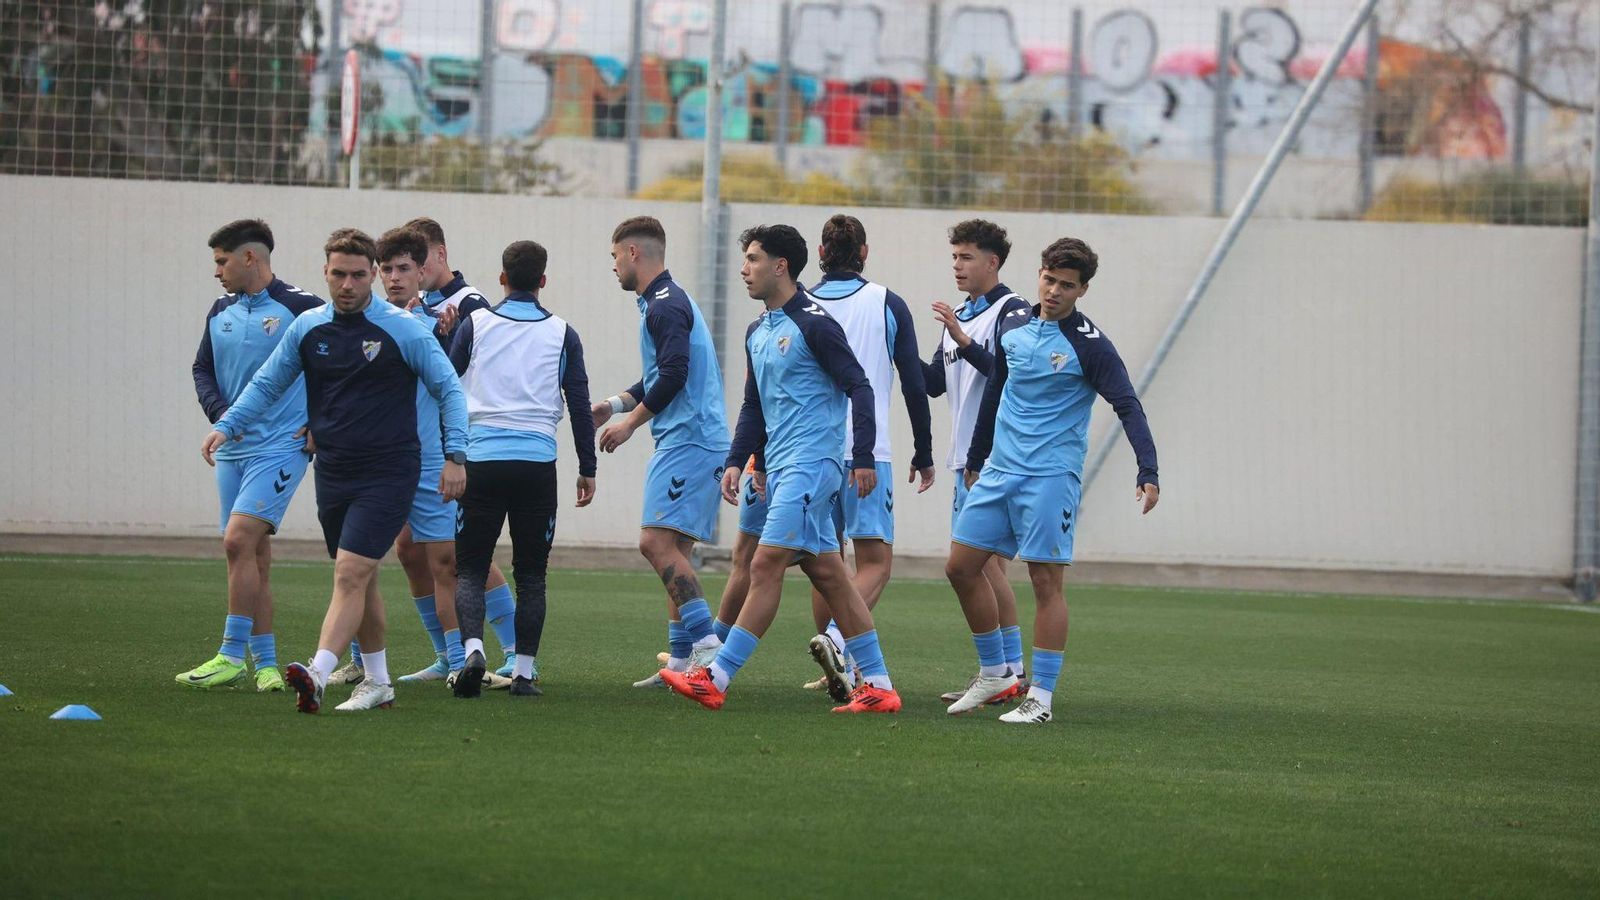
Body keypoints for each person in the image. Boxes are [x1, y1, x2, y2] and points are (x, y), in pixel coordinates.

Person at [202, 228, 468, 714]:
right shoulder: (307, 328)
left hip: (390, 469)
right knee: (359, 576)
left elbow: (449, 389)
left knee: (350, 572)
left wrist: (455, 457)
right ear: (325, 273)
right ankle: (379, 681)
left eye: (359, 275)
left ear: (372, 275)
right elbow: (266, 384)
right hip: (334, 470)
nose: (348, 284)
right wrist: (227, 424)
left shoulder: (403, 329)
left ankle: (319, 672)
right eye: (339, 274)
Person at [659, 224, 900, 714]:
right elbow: (755, 406)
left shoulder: (815, 323)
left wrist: (864, 456)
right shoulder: (758, 330)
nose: (744, 268)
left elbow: (861, 387)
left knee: (763, 564)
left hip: (814, 466)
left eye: (752, 259)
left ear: (781, 266)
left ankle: (717, 676)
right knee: (830, 574)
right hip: (785, 467)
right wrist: (739, 461)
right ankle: (878, 685)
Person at [944, 237, 1160, 724]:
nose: (1054, 291)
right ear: (1038, 274)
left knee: (1045, 582)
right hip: (999, 470)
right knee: (960, 567)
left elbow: (1127, 405)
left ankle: (1039, 698)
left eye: (1067, 285)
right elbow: (998, 388)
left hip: (1049, 477)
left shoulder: (1091, 346)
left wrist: (1148, 469)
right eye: (1049, 279)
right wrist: (978, 456)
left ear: (1083, 290)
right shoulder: (1016, 325)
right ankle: (996, 674)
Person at [448, 240, 597, 698]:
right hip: (536, 465)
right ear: (543, 281)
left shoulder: (475, 324)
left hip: (482, 462)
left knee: (470, 569)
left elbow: (448, 387)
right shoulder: (563, 333)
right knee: (532, 574)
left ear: (502, 278)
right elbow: (578, 405)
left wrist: (449, 454)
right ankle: (524, 674)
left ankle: (473, 648)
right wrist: (587, 468)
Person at [798, 214, 935, 700]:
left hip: (811, 453)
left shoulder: (800, 303)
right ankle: (837, 642)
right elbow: (915, 384)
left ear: (819, 252)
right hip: (868, 452)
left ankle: (839, 666)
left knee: (823, 559)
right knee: (875, 561)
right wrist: (924, 448)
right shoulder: (886, 303)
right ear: (865, 253)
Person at [181, 219, 322, 692]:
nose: (216, 271)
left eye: (222, 261)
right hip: (234, 448)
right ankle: (265, 664)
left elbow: (338, 369)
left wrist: (321, 421)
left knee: (237, 541)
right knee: (253, 555)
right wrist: (222, 415)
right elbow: (202, 368)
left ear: (249, 258)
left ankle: (228, 655)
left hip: (281, 446)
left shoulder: (301, 307)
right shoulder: (219, 309)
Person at [371, 226, 512, 690]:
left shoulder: (468, 305)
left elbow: (463, 380)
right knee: (409, 549)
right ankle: (444, 654)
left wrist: (460, 453)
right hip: (403, 452)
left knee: (457, 554)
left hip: (450, 450)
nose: (398, 275)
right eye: (388, 268)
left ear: (434, 256)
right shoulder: (411, 313)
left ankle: (511, 653)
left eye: (409, 265)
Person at [591, 216, 729, 688]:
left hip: (689, 439)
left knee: (653, 544)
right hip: (696, 439)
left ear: (633, 253)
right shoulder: (664, 300)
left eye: (614, 256)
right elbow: (658, 375)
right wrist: (611, 405)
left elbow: (672, 374)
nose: (612, 267)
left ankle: (708, 648)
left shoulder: (665, 306)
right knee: (677, 551)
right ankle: (679, 664)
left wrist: (629, 423)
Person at [925, 219, 1034, 705]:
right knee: (986, 567)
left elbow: (1008, 373)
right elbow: (932, 381)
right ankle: (1009, 673)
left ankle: (1005, 672)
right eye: (954, 257)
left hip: (989, 457)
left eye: (966, 257)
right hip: (964, 458)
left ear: (992, 262)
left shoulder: (1012, 311)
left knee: (979, 565)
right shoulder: (964, 312)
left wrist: (964, 340)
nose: (957, 265)